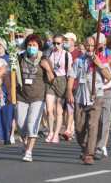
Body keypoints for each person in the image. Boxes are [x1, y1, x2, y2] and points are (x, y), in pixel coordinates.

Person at [67, 36, 111, 165]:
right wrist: (69, 91)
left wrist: (99, 65)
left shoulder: (101, 59)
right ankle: (85, 147)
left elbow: (109, 77)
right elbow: (71, 77)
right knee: (79, 128)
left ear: (96, 47)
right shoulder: (78, 61)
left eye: (92, 46)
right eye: (88, 45)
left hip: (96, 96)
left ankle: (89, 154)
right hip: (81, 97)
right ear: (84, 46)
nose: (90, 48)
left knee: (93, 125)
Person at [16, 34, 55, 162]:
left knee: (32, 124)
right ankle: (25, 143)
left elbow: (51, 79)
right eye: (29, 45)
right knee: (21, 125)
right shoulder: (20, 58)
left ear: (39, 47)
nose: (31, 47)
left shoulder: (44, 59)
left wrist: (48, 69)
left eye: (34, 45)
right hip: (22, 96)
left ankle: (29, 151)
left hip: (38, 97)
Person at [45, 34, 73, 143]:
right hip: (51, 79)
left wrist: (69, 88)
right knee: (48, 109)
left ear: (63, 43)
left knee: (58, 110)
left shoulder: (67, 55)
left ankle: (56, 133)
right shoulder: (50, 53)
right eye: (54, 43)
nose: (56, 45)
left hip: (62, 80)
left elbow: (70, 71)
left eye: (58, 43)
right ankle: (50, 131)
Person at [62, 32, 81, 141]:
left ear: (73, 41)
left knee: (70, 108)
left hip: (75, 85)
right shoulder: (62, 53)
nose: (65, 42)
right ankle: (69, 129)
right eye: (64, 39)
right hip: (63, 84)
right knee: (65, 110)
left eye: (67, 39)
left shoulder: (78, 54)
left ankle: (69, 130)